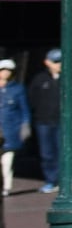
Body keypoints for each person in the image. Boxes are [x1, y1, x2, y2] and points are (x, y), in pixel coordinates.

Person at [28, 48, 60, 195]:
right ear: (47, 62)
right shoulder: (39, 79)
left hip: (61, 123)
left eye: (61, 61)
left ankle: (62, 181)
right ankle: (51, 180)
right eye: (56, 61)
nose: (59, 64)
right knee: (47, 154)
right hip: (44, 122)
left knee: (62, 152)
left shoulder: (68, 79)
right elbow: (32, 100)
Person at [0, 60, 24, 193]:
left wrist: (24, 126)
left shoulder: (17, 89)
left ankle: (6, 187)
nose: (5, 73)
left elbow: (24, 110)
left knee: (7, 163)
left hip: (10, 131)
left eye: (8, 71)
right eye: (2, 70)